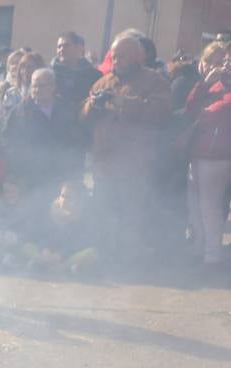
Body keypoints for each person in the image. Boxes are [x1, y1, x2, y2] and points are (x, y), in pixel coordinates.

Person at [82, 35, 173, 262]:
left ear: (138, 56)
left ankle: (130, 260)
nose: (116, 61)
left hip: (135, 163)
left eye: (121, 56)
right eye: (114, 56)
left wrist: (126, 103)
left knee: (132, 214)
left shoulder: (154, 80)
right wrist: (92, 105)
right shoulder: (103, 82)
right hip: (104, 162)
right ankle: (105, 258)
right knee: (104, 213)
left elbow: (161, 112)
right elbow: (82, 115)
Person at [2, 67, 84, 208]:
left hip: (61, 177)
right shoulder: (19, 113)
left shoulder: (67, 109)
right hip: (30, 178)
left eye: (41, 86)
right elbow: (8, 143)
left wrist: (74, 172)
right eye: (34, 86)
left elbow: (76, 141)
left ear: (53, 87)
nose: (36, 90)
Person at [181, 42, 231, 267]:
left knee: (210, 206)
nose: (215, 66)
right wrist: (204, 85)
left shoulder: (226, 88)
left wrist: (203, 109)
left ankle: (212, 255)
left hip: (218, 155)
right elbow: (190, 111)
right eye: (210, 60)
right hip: (198, 153)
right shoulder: (207, 85)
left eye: (220, 61)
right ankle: (199, 248)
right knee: (195, 204)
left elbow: (213, 115)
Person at [53, 31, 101, 117]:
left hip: (86, 123)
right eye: (59, 46)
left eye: (66, 45)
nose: (61, 49)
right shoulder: (50, 76)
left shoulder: (94, 75)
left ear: (78, 48)